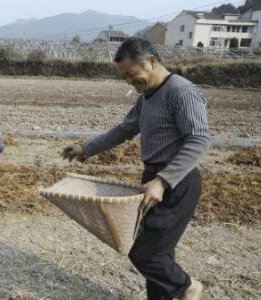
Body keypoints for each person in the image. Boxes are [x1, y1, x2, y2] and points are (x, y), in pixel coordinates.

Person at [62, 38, 210, 300]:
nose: (130, 82)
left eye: (132, 74)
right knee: (160, 251)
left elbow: (198, 140)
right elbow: (125, 129)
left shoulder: (182, 92)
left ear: (151, 61)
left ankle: (188, 287)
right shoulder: (147, 97)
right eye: (125, 77)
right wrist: (87, 149)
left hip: (177, 181)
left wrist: (163, 181)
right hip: (154, 177)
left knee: (143, 252)